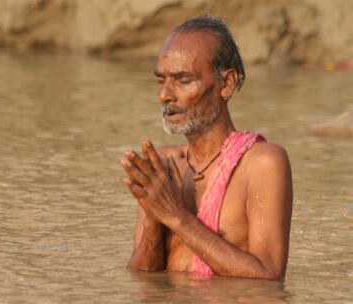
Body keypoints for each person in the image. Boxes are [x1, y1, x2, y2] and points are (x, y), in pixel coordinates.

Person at [121, 16, 293, 279]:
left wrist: (175, 215)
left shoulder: (261, 163)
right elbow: (144, 278)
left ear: (226, 84)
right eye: (161, 80)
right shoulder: (165, 164)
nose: (165, 95)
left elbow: (267, 277)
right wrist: (154, 219)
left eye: (183, 79)